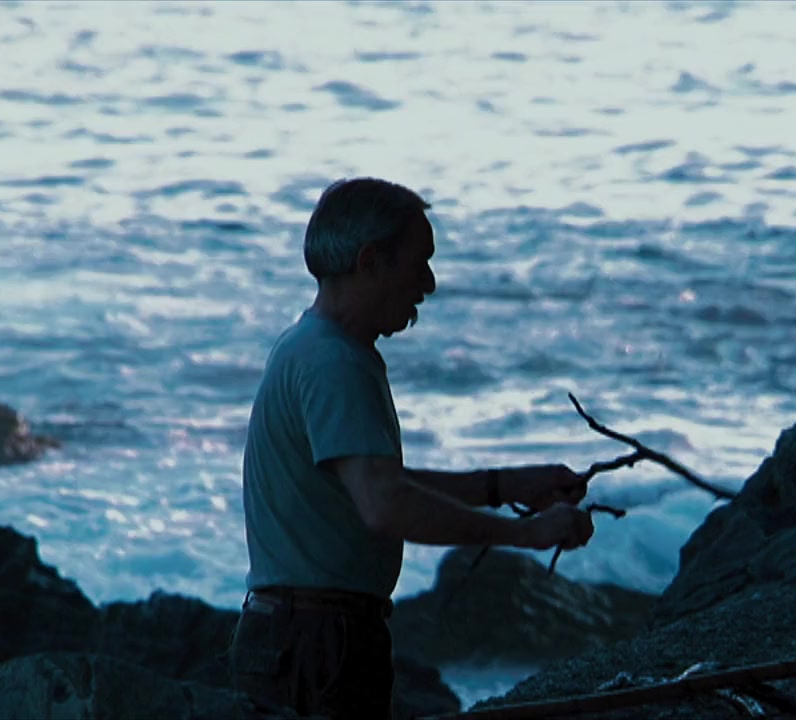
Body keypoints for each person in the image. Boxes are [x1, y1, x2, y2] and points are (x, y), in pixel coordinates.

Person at [230, 177, 595, 719]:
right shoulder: (334, 362)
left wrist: (503, 486)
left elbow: (373, 483)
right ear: (370, 261)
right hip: (317, 642)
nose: (428, 283)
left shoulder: (309, 346)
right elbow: (384, 504)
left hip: (296, 636)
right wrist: (525, 534)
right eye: (419, 262)